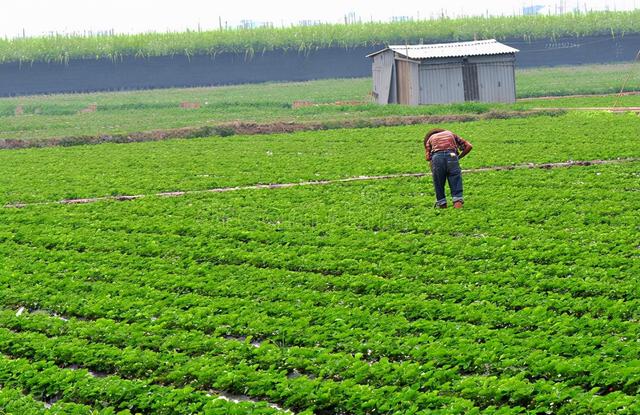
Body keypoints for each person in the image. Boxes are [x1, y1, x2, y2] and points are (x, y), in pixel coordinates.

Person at [424, 128, 473, 209]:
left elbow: (428, 158)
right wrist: (458, 157)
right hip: (452, 156)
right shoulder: (450, 134)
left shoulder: (430, 138)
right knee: (456, 184)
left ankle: (443, 208)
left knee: (439, 185)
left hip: (437, 159)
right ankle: (458, 211)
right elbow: (469, 146)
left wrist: (434, 169)